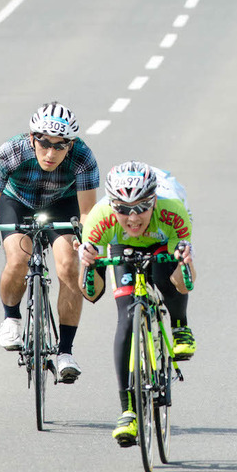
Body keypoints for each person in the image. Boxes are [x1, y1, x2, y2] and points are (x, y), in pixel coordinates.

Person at [0, 101, 99, 382]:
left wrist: (87, 239)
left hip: (61, 204)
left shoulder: (83, 157)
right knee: (18, 260)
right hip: (17, 200)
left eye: (60, 145)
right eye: (44, 143)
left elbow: (87, 212)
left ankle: (65, 351)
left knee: (69, 266)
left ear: (72, 143)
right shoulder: (11, 152)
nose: (51, 152)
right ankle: (11, 318)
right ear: (32, 138)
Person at [78, 161, 196, 447]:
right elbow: (92, 294)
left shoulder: (172, 212)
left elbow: (185, 282)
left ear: (153, 201)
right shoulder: (99, 219)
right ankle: (128, 410)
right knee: (126, 317)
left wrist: (184, 263)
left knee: (168, 277)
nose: (132, 218)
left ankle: (181, 327)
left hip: (161, 240)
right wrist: (89, 266)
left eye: (141, 208)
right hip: (122, 247)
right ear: (112, 206)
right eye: (123, 209)